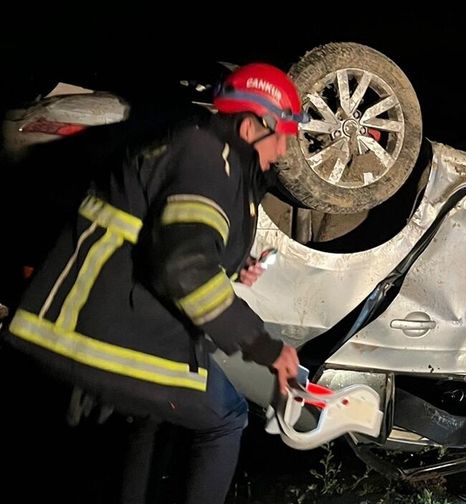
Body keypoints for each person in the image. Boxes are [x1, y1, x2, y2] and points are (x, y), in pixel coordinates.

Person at [1, 62, 304, 504]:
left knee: (151, 418)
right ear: (253, 125)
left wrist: (233, 271)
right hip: (102, 327)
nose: (282, 152)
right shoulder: (203, 154)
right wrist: (266, 348)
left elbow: (174, 244)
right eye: (283, 136)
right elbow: (184, 267)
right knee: (226, 416)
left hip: (108, 320)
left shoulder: (213, 156)